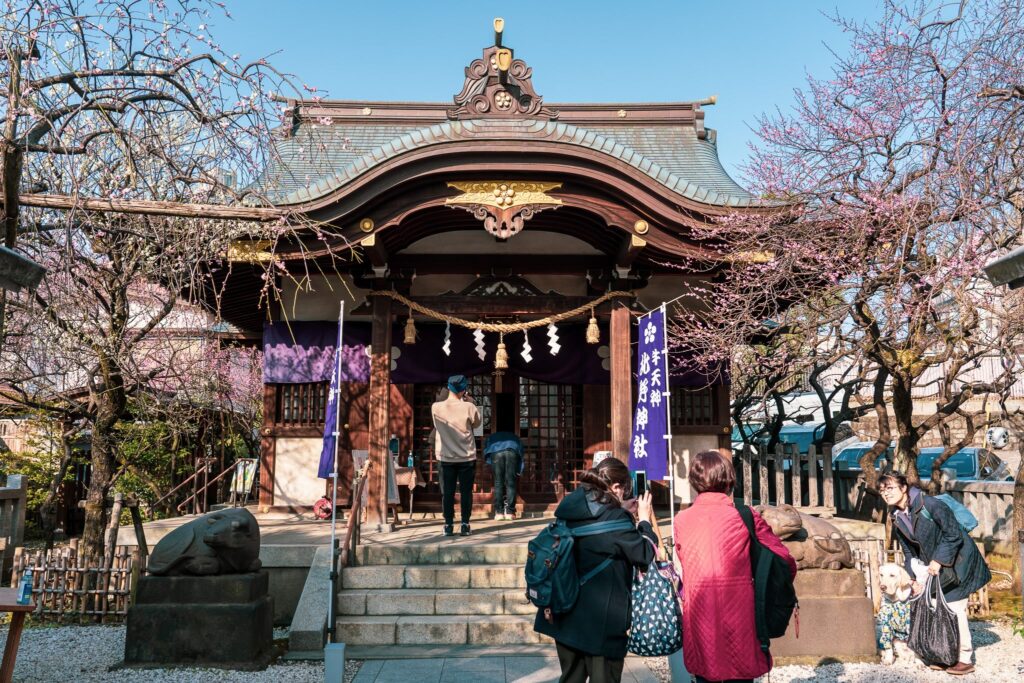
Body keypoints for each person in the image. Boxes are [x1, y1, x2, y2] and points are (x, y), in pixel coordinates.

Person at [673, 450, 796, 683]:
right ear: (728, 478)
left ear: (694, 481)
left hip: (699, 608)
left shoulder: (681, 520)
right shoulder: (744, 515)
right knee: (740, 672)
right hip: (741, 608)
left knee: (705, 671)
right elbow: (783, 558)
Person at [534, 458, 657, 683]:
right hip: (602, 621)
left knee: (571, 678)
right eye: (626, 489)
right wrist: (644, 521)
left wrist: (621, 511)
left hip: (564, 612)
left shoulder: (570, 506)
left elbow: (598, 528)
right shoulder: (617, 519)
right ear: (617, 487)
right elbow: (646, 554)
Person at [880, 470, 991, 675]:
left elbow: (953, 534)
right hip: (933, 568)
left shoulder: (929, 504)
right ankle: (944, 654)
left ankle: (964, 658)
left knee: (954, 608)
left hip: (958, 562)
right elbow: (907, 549)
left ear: (904, 488)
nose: (886, 493)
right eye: (882, 490)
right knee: (934, 607)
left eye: (890, 488)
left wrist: (938, 560)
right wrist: (912, 577)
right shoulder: (896, 515)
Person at [430, 374, 482, 537]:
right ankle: (465, 524)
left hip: (445, 456)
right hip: (466, 456)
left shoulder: (436, 407)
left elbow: (436, 425)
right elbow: (477, 423)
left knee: (448, 492)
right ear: (464, 389)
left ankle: (448, 525)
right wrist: (471, 402)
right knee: (466, 492)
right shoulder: (469, 407)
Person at [484, 428, 523, 521]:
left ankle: (499, 512)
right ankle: (510, 512)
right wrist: (520, 469)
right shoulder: (515, 437)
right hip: (512, 451)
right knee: (511, 482)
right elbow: (520, 451)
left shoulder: (492, 436)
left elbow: (486, 448)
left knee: (498, 483)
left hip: (496, 451)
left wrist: (489, 461)